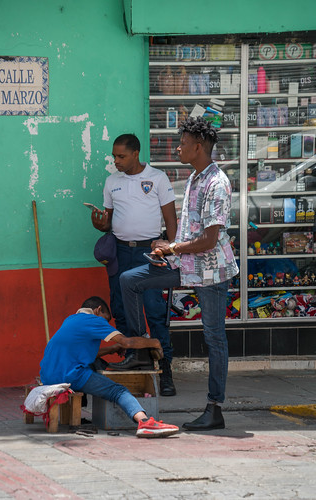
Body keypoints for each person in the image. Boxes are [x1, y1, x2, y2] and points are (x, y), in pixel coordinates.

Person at [119, 117, 239, 431]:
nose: (178, 148)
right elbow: (191, 231)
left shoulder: (216, 183)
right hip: (186, 267)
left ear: (198, 147)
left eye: (183, 143)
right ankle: (142, 351)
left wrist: (173, 248)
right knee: (130, 280)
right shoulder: (194, 178)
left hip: (211, 273)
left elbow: (210, 240)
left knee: (214, 338)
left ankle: (215, 408)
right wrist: (169, 249)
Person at [90, 133, 177, 396]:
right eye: (114, 156)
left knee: (153, 310)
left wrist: (172, 250)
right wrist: (100, 224)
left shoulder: (158, 178)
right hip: (119, 253)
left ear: (135, 154)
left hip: (149, 253)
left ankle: (164, 368)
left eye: (121, 156)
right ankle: (133, 362)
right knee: (121, 309)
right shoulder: (111, 181)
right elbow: (109, 220)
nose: (116, 161)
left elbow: (171, 220)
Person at [40, 296, 179, 439]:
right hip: (70, 375)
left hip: (47, 375)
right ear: (98, 310)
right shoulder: (94, 320)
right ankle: (145, 422)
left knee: (91, 367)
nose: (105, 324)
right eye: (106, 320)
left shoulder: (70, 320)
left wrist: (112, 348)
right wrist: (154, 342)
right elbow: (127, 342)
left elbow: (85, 354)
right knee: (118, 391)